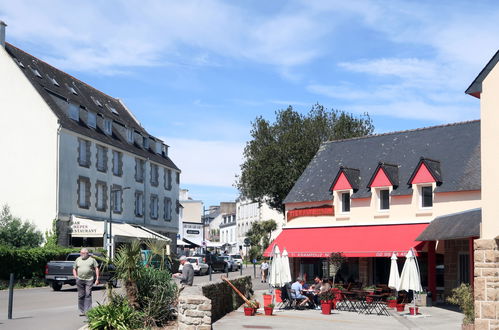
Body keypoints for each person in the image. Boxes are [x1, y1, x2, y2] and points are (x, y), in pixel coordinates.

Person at [72, 248, 100, 316]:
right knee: (81, 295)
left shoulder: (92, 260)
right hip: (80, 279)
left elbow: (97, 268)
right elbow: (74, 268)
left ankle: (88, 311)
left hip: (89, 279)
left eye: (83, 253)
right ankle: (82, 311)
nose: (81, 254)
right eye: (81, 253)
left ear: (87, 253)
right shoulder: (78, 259)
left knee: (88, 294)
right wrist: (75, 276)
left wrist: (97, 279)